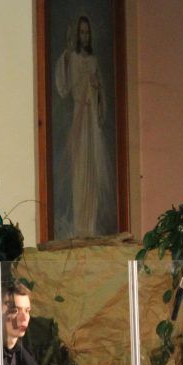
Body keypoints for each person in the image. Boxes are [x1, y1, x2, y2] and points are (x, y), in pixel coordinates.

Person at [54, 14, 113, 239]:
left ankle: (91, 224)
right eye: (82, 32)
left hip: (92, 120)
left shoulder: (94, 61)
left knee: (93, 171)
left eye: (87, 32)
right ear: (78, 35)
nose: (85, 36)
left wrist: (96, 88)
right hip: (79, 118)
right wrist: (67, 55)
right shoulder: (74, 58)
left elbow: (101, 95)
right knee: (80, 170)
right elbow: (64, 88)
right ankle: (81, 224)